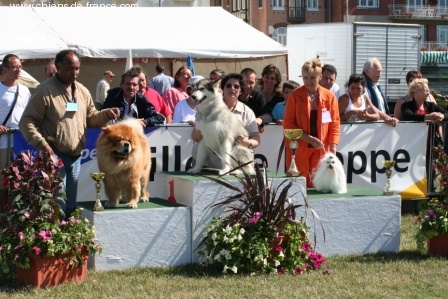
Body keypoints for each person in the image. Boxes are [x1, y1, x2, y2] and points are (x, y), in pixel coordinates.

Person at [19, 49, 120, 218]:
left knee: (71, 203)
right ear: (58, 67)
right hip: (54, 154)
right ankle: (53, 237)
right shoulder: (44, 91)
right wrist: (41, 144)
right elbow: (26, 121)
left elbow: (92, 119)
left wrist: (107, 114)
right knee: (57, 202)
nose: (75, 73)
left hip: (76, 156)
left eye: (77, 69)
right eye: (70, 69)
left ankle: (68, 236)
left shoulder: (82, 91)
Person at [283, 58, 340, 188]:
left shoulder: (330, 97)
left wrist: (333, 147)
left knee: (319, 185)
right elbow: (288, 125)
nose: (308, 81)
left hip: (321, 148)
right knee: (299, 184)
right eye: (305, 77)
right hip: (298, 148)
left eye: (312, 78)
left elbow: (334, 124)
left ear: (320, 77)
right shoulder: (294, 96)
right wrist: (309, 139)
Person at [191, 73, 260, 165]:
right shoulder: (204, 106)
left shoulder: (247, 112)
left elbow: (256, 137)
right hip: (204, 163)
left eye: (236, 86)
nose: (232, 88)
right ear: (222, 89)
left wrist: (247, 142)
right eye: (228, 86)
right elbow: (195, 133)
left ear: (241, 91)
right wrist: (195, 135)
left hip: (233, 165)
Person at [0, 54, 31, 189]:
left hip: (20, 141)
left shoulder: (24, 90)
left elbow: (29, 115)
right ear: (5, 69)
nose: (19, 71)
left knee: (21, 179)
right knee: (3, 179)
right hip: (3, 143)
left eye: (20, 67)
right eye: (14, 67)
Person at [257, 64, 285, 131]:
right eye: (267, 77)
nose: (269, 80)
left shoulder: (281, 98)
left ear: (276, 81)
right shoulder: (256, 96)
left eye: (272, 78)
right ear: (262, 77)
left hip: (276, 133)